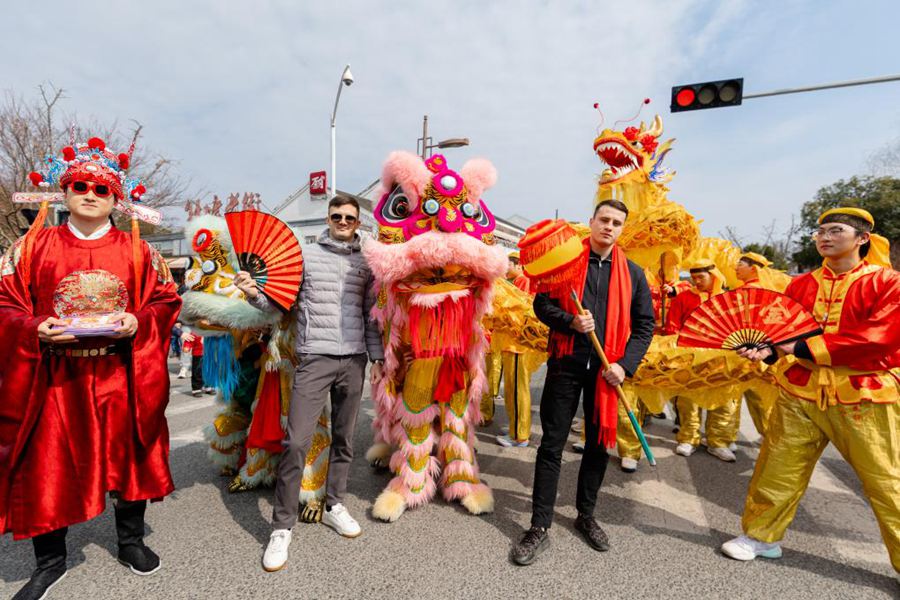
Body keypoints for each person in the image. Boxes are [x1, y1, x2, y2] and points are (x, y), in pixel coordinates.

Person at [0, 137, 181, 600]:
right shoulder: (31, 247)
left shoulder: (139, 251)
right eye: (80, 185)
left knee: (130, 453)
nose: (90, 195)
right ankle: (50, 561)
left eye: (102, 190)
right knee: (48, 463)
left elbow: (165, 300)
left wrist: (138, 320)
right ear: (64, 192)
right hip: (56, 377)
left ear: (115, 200)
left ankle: (130, 541)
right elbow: (4, 304)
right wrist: (35, 327)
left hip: (121, 374)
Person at [721, 207, 900, 580]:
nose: (824, 237)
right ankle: (761, 536)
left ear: (862, 239)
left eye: (835, 231)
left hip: (863, 393)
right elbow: (784, 332)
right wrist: (766, 350)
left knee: (885, 480)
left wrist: (798, 348)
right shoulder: (799, 285)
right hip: (799, 389)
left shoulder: (887, 282)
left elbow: (878, 339)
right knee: (777, 467)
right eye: (820, 232)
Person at [234, 195, 383, 572]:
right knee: (295, 441)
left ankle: (335, 504)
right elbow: (277, 305)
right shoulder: (305, 256)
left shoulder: (367, 261)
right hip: (314, 358)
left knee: (345, 440)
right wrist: (253, 292)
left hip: (353, 360)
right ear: (328, 218)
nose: (343, 221)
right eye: (337, 215)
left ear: (358, 221)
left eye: (350, 217)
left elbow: (370, 315)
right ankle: (282, 527)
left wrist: (377, 357)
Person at [511, 200, 655, 565]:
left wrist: (624, 365)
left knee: (597, 447)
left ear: (623, 229)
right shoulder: (566, 264)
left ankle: (586, 516)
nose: (609, 226)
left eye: (617, 222)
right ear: (590, 222)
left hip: (607, 374)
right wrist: (570, 322)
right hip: (566, 364)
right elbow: (542, 306)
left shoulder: (635, 275)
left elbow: (644, 327)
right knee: (552, 446)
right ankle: (539, 525)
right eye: (603, 219)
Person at [664, 261, 740, 462]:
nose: (697, 281)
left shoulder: (727, 299)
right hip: (692, 356)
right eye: (693, 278)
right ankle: (688, 438)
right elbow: (672, 325)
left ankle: (718, 442)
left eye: (701, 277)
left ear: (713, 275)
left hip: (722, 357)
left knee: (722, 400)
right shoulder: (683, 298)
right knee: (689, 400)